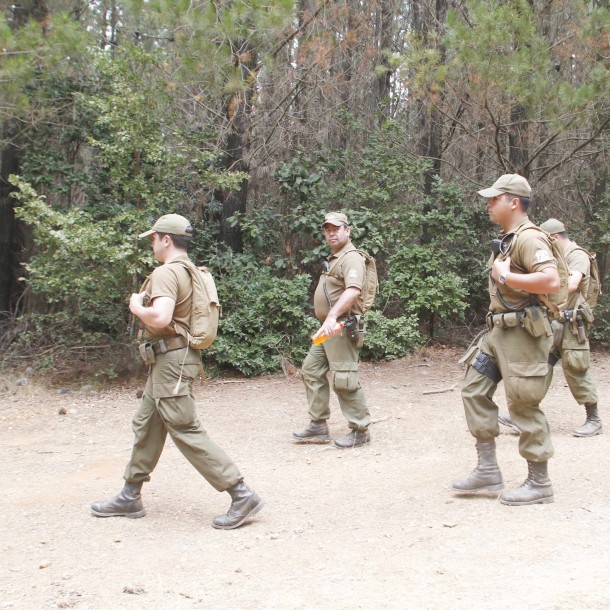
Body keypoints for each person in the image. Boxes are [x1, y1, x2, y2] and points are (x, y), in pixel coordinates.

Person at [91, 214, 264, 529]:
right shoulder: (192, 271)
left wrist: (136, 307)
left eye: (154, 239)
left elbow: (160, 317)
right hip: (170, 362)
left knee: (184, 427)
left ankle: (241, 494)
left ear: (166, 240)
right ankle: (131, 494)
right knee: (147, 423)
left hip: (171, 362)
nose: (152, 245)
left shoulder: (167, 272)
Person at [452, 174, 560, 505]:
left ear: (514, 202)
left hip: (522, 334)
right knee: (473, 389)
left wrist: (505, 275)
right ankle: (488, 471)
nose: (488, 203)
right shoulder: (508, 238)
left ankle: (539, 482)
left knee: (523, 403)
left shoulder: (529, 239)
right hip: (498, 332)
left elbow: (551, 280)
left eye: (493, 198)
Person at [499, 218, 602, 437]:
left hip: (574, 324)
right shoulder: (556, 257)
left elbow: (572, 284)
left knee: (576, 369)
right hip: (554, 322)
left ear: (554, 238)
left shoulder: (577, 255)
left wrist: (538, 285)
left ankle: (594, 419)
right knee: (539, 367)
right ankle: (523, 416)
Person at [292, 211, 371, 449]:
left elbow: (353, 290)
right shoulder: (336, 257)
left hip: (341, 326)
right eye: (327, 230)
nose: (331, 233)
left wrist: (333, 315)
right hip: (329, 328)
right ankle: (318, 425)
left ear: (348, 231)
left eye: (336, 229)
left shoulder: (352, 258)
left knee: (344, 377)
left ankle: (360, 430)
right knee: (311, 369)